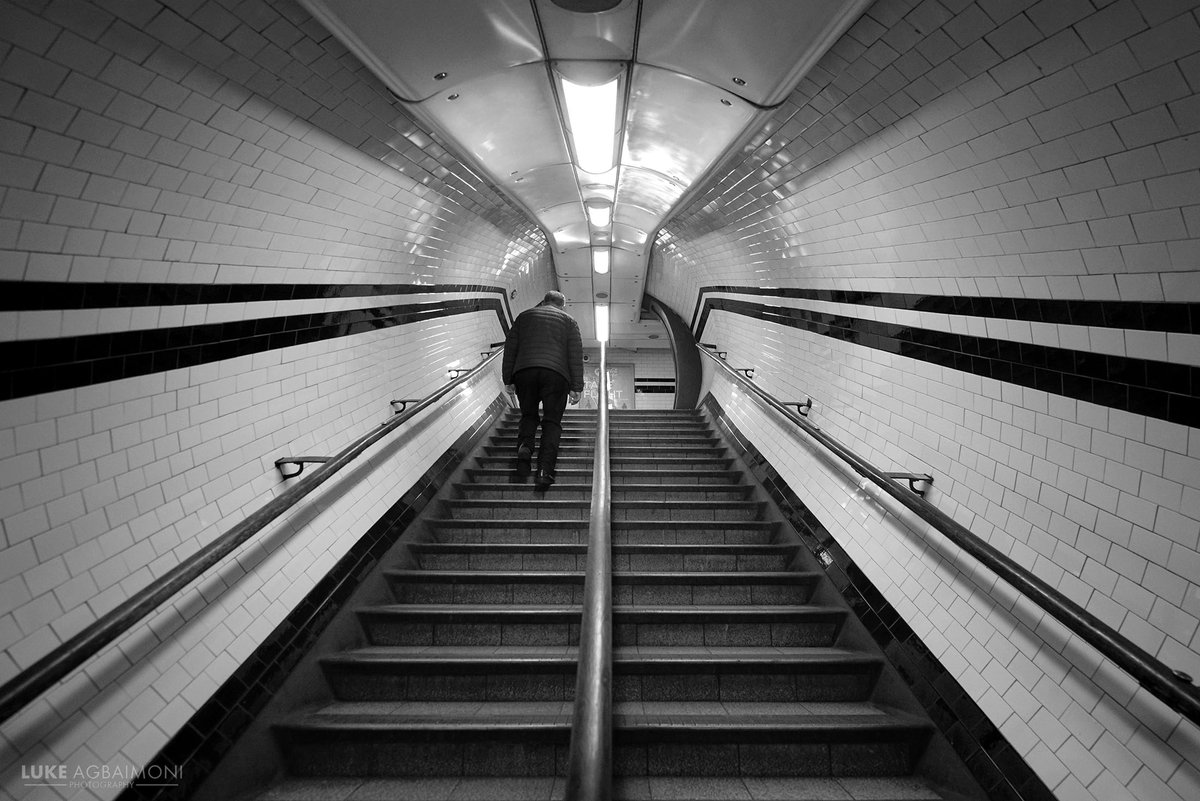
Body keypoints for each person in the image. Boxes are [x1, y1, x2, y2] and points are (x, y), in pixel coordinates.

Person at [502, 290, 584, 489]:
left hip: (525, 372)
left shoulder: (524, 316)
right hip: (556, 375)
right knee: (552, 422)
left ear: (543, 301)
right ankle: (544, 470)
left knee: (528, 415)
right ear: (562, 305)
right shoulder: (569, 321)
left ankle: (525, 447)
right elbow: (575, 355)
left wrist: (508, 379)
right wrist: (576, 387)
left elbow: (510, 348)